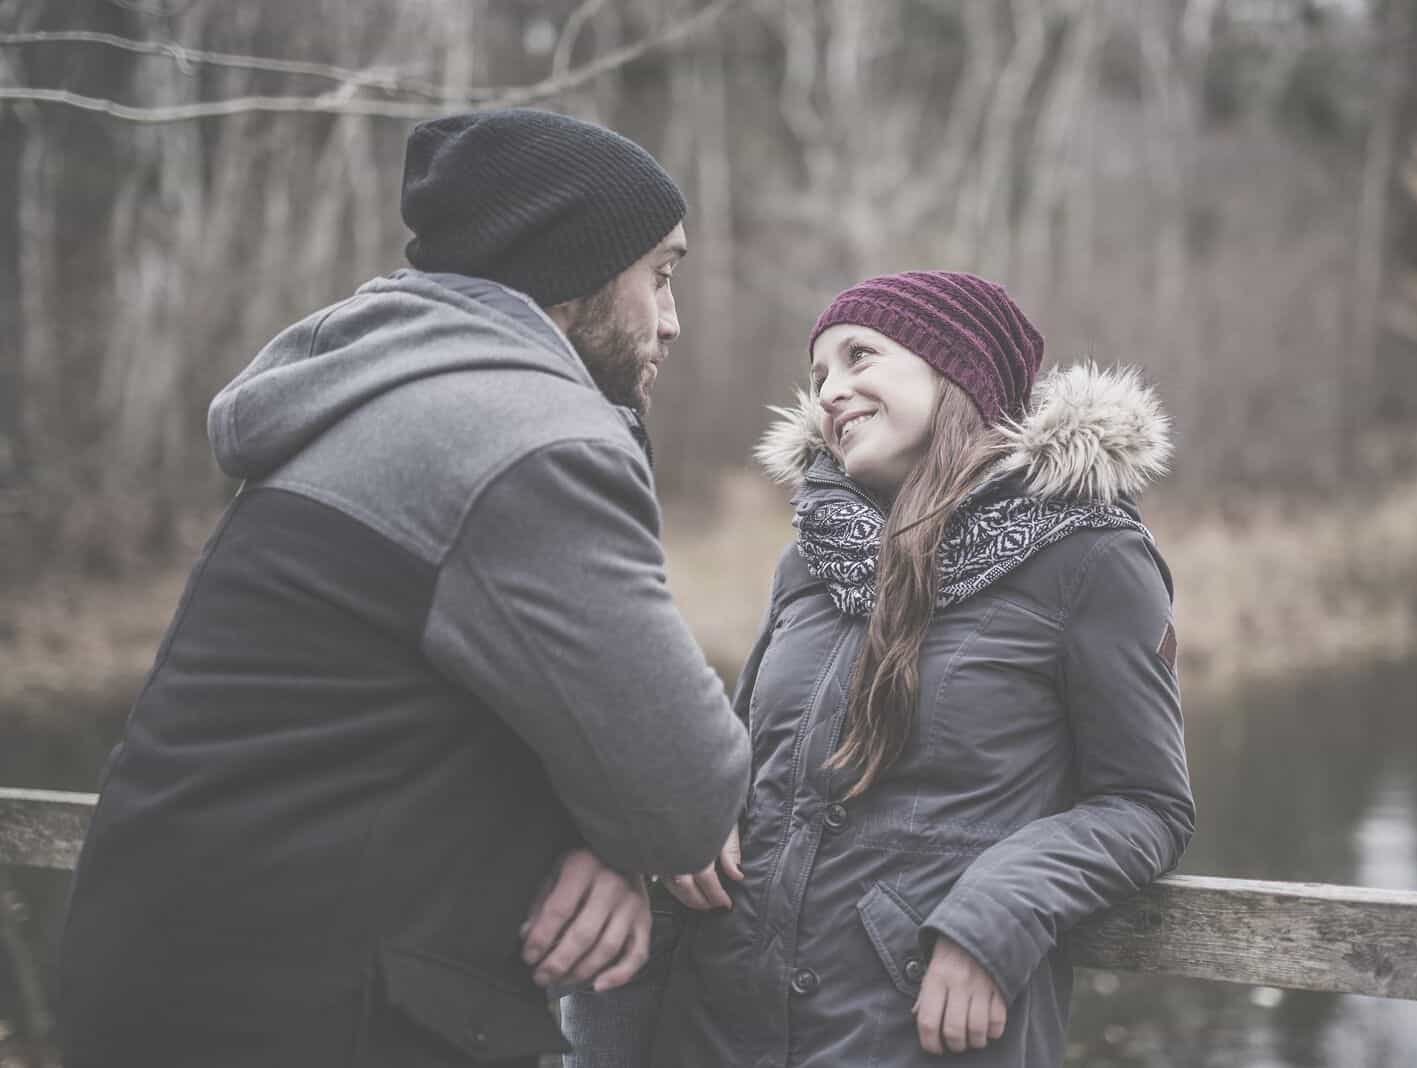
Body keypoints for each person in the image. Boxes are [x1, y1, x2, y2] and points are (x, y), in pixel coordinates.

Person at [55, 109, 750, 1068]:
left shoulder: (377, 387)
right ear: (574, 270)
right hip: (309, 1013)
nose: (671, 319)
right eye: (660, 276)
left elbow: (414, 710)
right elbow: (685, 786)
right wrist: (628, 828)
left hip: (164, 973)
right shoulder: (527, 437)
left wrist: (607, 833)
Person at [645, 271, 1195, 1066]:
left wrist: (1000, 910)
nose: (831, 391)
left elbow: (1147, 805)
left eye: (859, 356)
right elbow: (744, 752)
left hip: (914, 1032)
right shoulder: (810, 556)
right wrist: (700, 807)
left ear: (958, 369)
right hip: (722, 1026)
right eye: (820, 375)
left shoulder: (1091, 559)